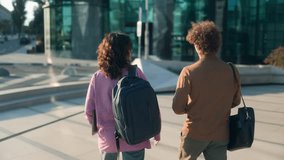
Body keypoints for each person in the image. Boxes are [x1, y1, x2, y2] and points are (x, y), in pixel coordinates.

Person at [172, 21, 241, 160]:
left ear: (197, 45)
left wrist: (195, 107)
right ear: (217, 45)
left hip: (194, 133)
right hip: (220, 135)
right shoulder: (231, 70)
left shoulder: (189, 72)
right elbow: (236, 101)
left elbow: (177, 108)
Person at [84, 32, 160, 160]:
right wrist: (156, 132)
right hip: (135, 136)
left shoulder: (97, 77)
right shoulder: (135, 73)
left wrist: (102, 129)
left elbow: (89, 111)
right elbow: (151, 104)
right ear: (126, 51)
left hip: (108, 139)